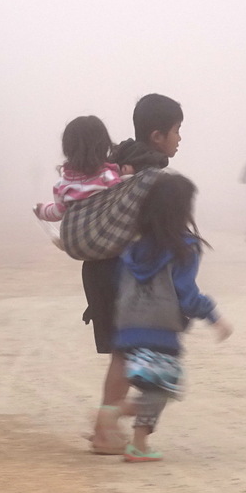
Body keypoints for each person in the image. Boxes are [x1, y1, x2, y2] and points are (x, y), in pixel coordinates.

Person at [97, 173, 233, 462]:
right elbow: (186, 294)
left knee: (153, 385)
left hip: (127, 326)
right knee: (164, 387)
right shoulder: (184, 248)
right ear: (182, 210)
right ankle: (116, 412)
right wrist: (214, 317)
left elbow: (119, 284)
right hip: (160, 328)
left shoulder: (132, 247)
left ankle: (138, 446)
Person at [77, 94, 185, 454]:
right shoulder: (150, 173)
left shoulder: (114, 162)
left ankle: (101, 430)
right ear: (157, 136)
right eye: (177, 131)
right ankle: (105, 431)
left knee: (121, 353)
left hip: (97, 269)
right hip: (120, 272)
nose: (180, 138)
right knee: (125, 353)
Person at [33, 115, 126, 225]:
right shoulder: (108, 177)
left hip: (73, 236)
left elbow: (57, 213)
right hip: (103, 232)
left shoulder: (63, 184)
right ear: (104, 146)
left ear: (67, 150)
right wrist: (129, 176)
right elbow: (123, 203)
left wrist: (42, 210)